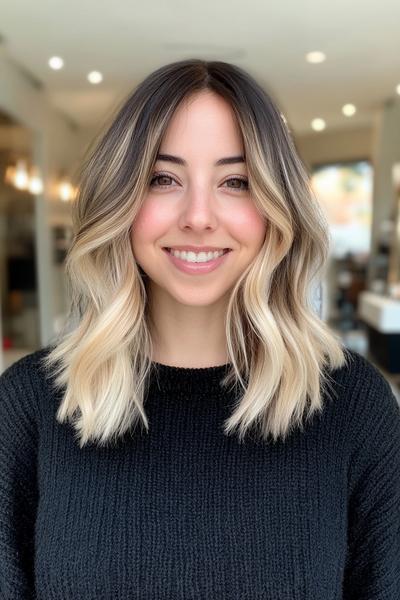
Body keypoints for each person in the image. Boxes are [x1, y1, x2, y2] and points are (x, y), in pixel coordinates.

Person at [1, 59, 399, 600]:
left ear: (276, 208)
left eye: (236, 181)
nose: (198, 216)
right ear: (121, 200)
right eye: (163, 179)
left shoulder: (355, 408)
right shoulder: (28, 406)